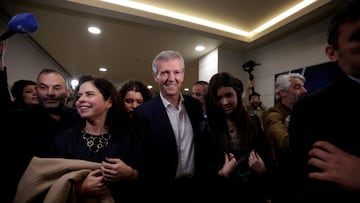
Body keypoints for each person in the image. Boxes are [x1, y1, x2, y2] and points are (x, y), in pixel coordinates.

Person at [289, 0, 360, 202]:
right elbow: (308, 181)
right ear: (332, 53)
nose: (302, 90)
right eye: (358, 37)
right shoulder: (311, 108)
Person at [33, 75, 138, 202]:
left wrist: (130, 173)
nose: (81, 100)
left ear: (109, 102)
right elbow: (45, 183)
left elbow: (151, 177)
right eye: (79, 96)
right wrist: (80, 189)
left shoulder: (129, 137)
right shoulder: (64, 140)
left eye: (89, 94)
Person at [133, 50, 204, 203]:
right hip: (161, 192)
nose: (171, 78)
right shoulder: (143, 113)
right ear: (155, 77)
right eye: (164, 73)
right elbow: (142, 160)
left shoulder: (194, 106)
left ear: (183, 75)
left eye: (176, 72)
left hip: (195, 189)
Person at [1, 68, 79, 202]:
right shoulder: (18, 120)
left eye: (56, 88)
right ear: (36, 91)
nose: (50, 93)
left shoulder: (79, 118)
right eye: (43, 87)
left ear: (67, 92)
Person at [197, 72, 271, 203]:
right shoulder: (206, 128)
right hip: (225, 197)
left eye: (229, 95)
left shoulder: (253, 122)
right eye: (219, 98)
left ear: (237, 94)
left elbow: (266, 154)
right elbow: (202, 172)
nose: (224, 102)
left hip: (254, 193)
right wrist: (223, 173)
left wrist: (263, 168)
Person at [261, 72, 307, 203]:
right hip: (284, 178)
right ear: (282, 93)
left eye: (303, 86)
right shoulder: (274, 114)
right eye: (297, 87)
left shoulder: (301, 112)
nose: (304, 90)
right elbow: (284, 141)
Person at [0, 40, 38, 109]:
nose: (35, 93)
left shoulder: (50, 114)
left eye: (38, 91)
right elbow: (2, 84)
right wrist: (0, 56)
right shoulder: (11, 110)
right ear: (20, 96)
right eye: (29, 92)